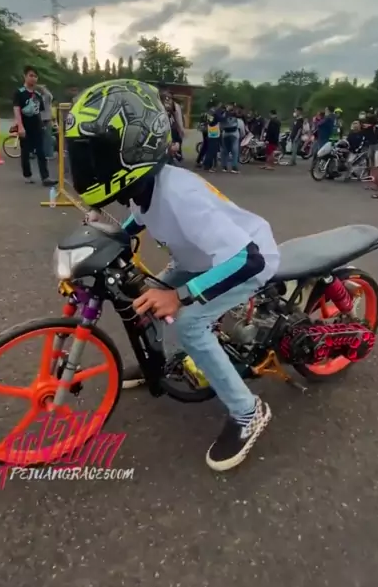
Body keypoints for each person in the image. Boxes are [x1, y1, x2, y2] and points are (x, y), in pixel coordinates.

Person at [66, 78, 278, 471]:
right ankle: (159, 365)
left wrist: (179, 296)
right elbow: (139, 218)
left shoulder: (180, 193)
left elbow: (248, 260)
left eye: (96, 156)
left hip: (244, 259)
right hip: (201, 258)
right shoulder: (144, 185)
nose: (87, 167)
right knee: (144, 297)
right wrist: (110, 235)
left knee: (190, 324)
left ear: (134, 148)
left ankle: (248, 411)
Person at [12, 66, 56, 186]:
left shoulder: (37, 95)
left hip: (37, 127)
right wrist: (20, 126)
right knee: (26, 152)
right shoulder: (19, 93)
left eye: (35, 76)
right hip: (25, 126)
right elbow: (16, 110)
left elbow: (39, 112)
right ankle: (27, 175)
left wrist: (43, 125)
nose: (33, 78)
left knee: (41, 152)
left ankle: (45, 177)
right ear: (25, 76)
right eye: (31, 75)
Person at [217, 101, 240, 174]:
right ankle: (225, 166)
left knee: (234, 150)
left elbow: (239, 115)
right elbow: (222, 118)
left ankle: (233, 167)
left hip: (233, 132)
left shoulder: (235, 113)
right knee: (225, 150)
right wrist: (226, 110)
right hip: (227, 132)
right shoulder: (223, 113)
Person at [203, 106, 220, 172]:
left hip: (211, 134)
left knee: (210, 151)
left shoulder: (209, 116)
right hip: (214, 135)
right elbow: (218, 120)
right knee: (211, 152)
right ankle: (209, 166)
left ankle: (207, 165)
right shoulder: (213, 116)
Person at [39, 84, 55, 159]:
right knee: (42, 137)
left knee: (48, 136)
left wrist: (44, 89)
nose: (42, 90)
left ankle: (49, 154)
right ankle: (43, 153)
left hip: (47, 118)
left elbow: (50, 96)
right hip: (40, 118)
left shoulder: (47, 96)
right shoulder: (38, 97)